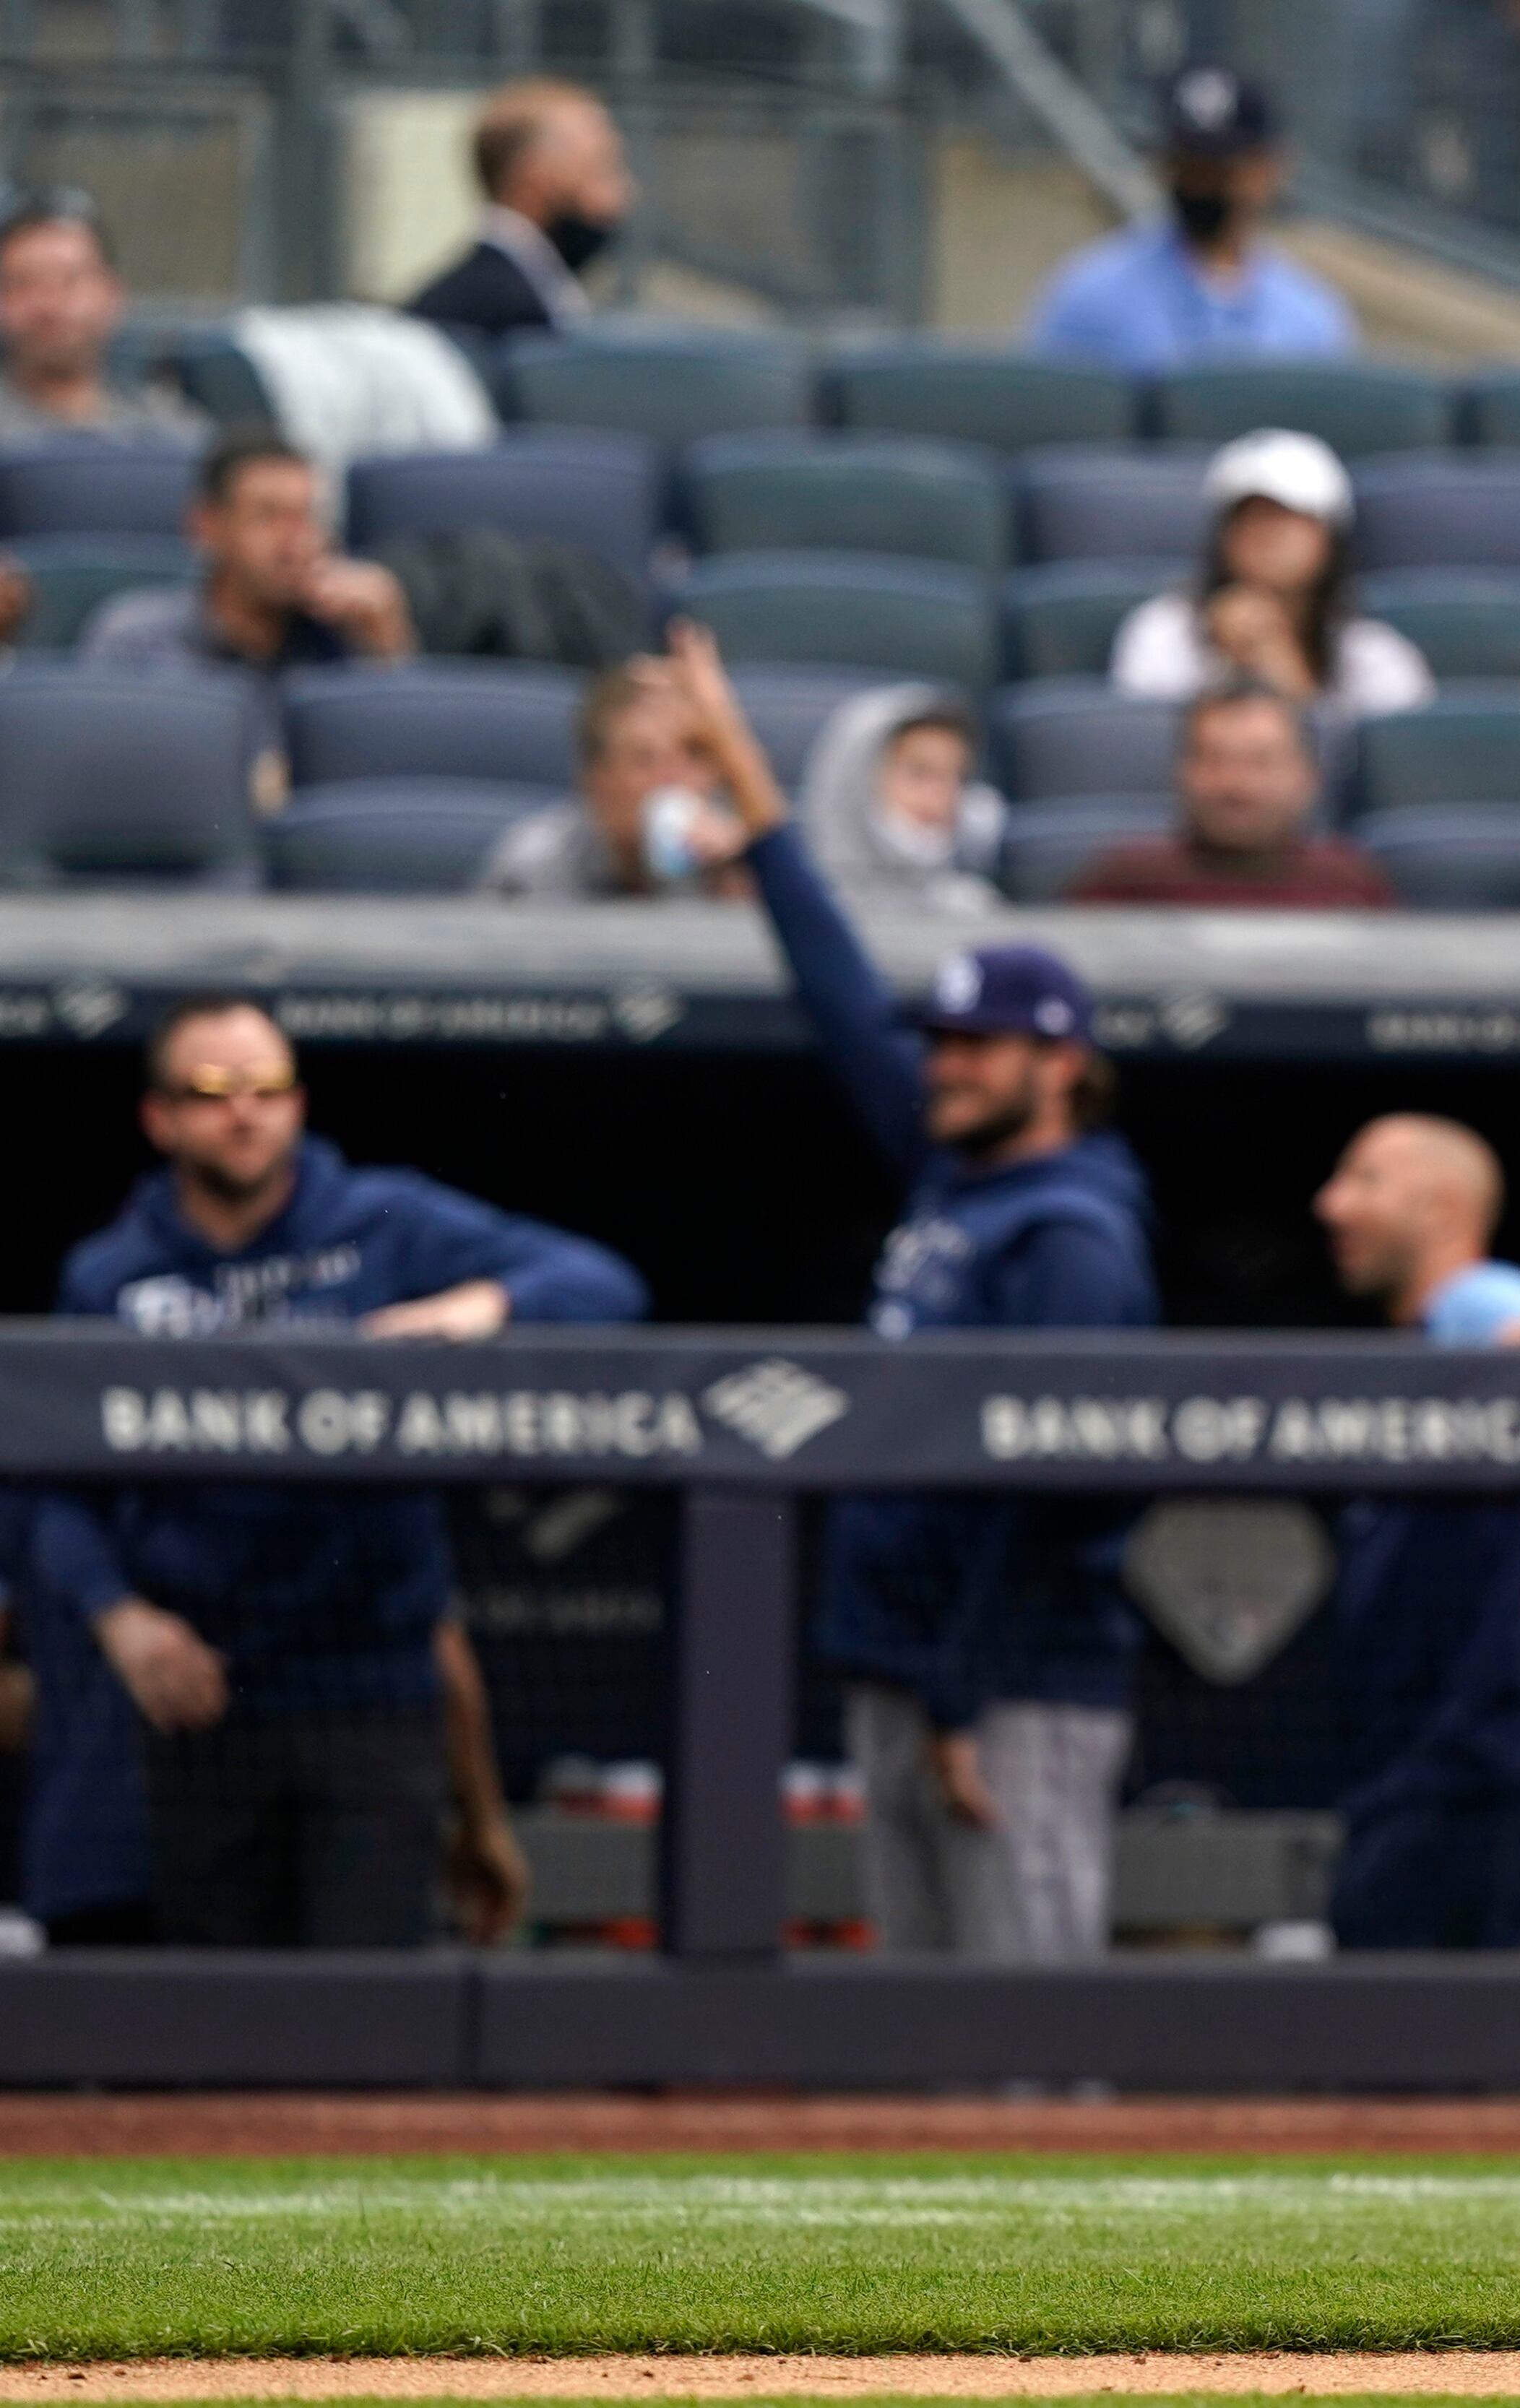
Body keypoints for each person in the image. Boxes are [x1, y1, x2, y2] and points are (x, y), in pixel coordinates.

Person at [699, 620, 1164, 1962]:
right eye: (942, 1042)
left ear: (1061, 1064)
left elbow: (1063, 1490)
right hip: (909, 1671)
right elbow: (841, 996)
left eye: (979, 1046)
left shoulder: (1072, 1230)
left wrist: (961, 1691)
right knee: (914, 2042)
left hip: (1011, 1685)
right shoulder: (955, 1172)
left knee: (1023, 2042)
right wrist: (745, 771)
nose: (946, 1065)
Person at [24, 995, 630, 1946]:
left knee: (368, 2019)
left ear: (298, 1103)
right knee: (211, 2022)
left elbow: (602, 1284)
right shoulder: (112, 1275)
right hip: (201, 1695)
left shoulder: (384, 1222)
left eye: (267, 1088)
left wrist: (483, 1302)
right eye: (213, 1091)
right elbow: (51, 1480)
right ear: (161, 1117)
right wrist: (119, 1616)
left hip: (367, 1684)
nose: (244, 1112)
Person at [1310, 1114, 1520, 1949]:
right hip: (1415, 1769)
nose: (1330, 1204)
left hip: (1478, 1773)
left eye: (1365, 1180)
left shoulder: (1471, 1307)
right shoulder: (1421, 1348)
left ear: (1441, 1209)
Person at [80, 430, 415, 765]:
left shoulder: (347, 635)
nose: (295, 544)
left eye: (307, 517)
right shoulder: (138, 643)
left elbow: (399, 765)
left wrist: (388, 649)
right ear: (207, 527)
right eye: (269, 517)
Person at [1027, 68, 1354, 373]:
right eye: (1188, 167)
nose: (1200, 186)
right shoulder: (1093, 295)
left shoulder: (1308, 316)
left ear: (1266, 170)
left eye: (1219, 173)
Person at [1106, 429, 1433, 729]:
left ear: (1329, 537)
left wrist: (1280, 664)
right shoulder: (1162, 632)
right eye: (1247, 517)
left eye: (1289, 516)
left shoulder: (1377, 657)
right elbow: (1146, 749)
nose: (1266, 534)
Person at [1068, 684, 1394, 908]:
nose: (1235, 784)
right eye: (1214, 760)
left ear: (1307, 777)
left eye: (1260, 762)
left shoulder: (1350, 886)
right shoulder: (1126, 883)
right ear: (1182, 773)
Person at [479, 654, 752, 902]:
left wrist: (742, 882)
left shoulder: (744, 858)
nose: (673, 778)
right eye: (643, 759)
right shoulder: (533, 868)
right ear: (595, 782)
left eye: (694, 754)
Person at [405, 79, 633, 343]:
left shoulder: (529, 290)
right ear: (537, 176)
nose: (625, 195)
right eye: (601, 170)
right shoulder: (504, 312)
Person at [0, 191, 204, 442]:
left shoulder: (171, 433)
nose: (49, 305)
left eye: (70, 281)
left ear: (113, 294)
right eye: (24, 283)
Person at [795, 683, 1003, 914]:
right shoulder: (794, 907)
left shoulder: (974, 909)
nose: (943, 796)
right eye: (919, 773)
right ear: (855, 781)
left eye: (957, 778)